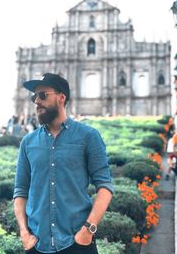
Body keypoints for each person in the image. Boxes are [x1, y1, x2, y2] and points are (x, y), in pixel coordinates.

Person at [13, 73, 113, 254]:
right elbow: (20, 191)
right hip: (36, 245)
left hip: (77, 244)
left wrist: (88, 230)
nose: (36, 101)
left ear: (61, 97)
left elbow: (104, 186)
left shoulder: (88, 136)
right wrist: (24, 233)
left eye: (43, 95)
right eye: (34, 96)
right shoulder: (28, 142)